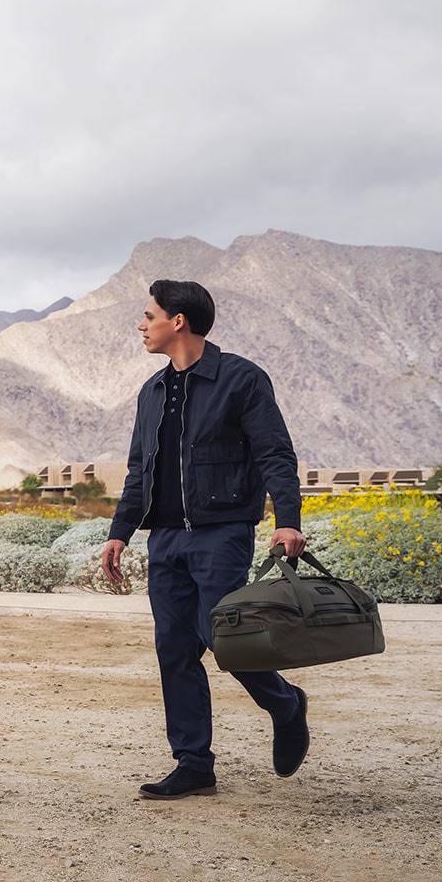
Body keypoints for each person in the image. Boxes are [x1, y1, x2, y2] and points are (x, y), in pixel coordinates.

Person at [100, 279, 311, 799]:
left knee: (226, 640)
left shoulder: (240, 379)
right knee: (173, 649)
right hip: (165, 539)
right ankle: (194, 764)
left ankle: (286, 705)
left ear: (178, 321)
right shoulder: (151, 393)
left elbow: (274, 454)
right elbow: (137, 471)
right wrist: (120, 532)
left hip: (221, 534)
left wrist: (288, 519)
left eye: (149, 316)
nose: (141, 325)